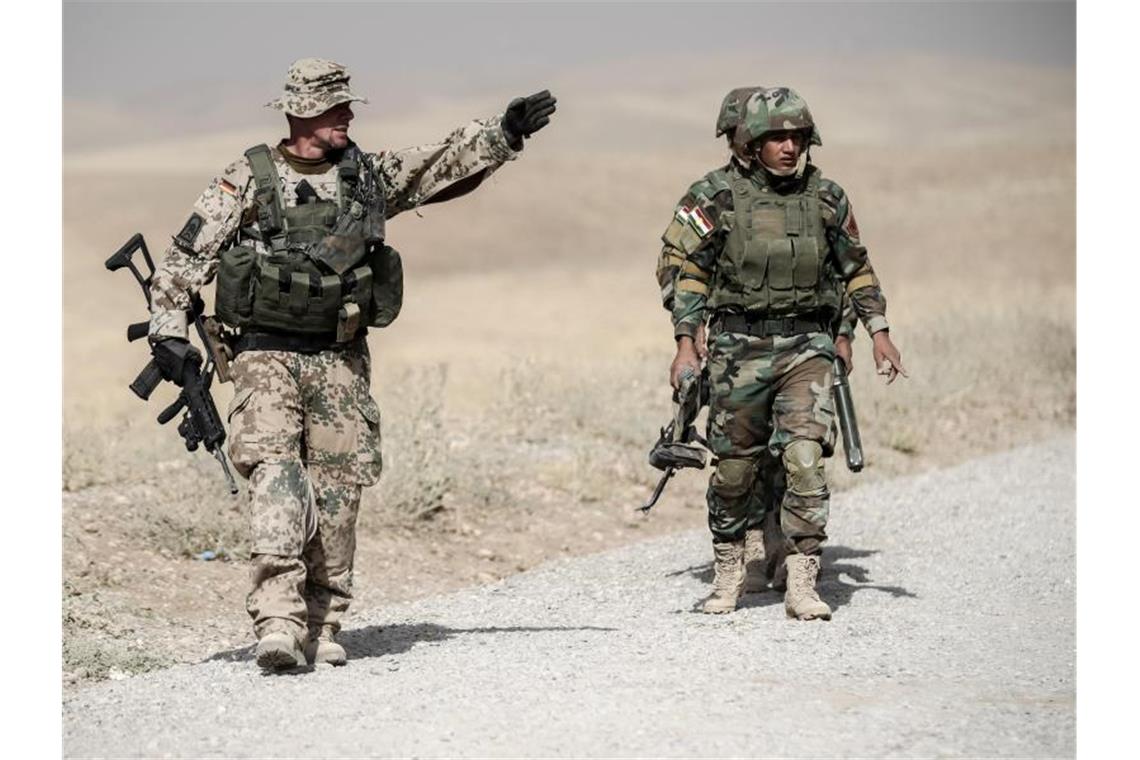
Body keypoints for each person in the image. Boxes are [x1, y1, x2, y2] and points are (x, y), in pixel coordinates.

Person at [146, 58, 556, 669]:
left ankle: (324, 621)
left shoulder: (364, 175)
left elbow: (438, 165)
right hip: (264, 355)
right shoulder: (246, 178)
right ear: (305, 110)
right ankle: (278, 622)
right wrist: (168, 333)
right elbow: (185, 260)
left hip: (340, 357)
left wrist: (504, 133)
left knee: (338, 492)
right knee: (277, 477)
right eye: (339, 107)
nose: (350, 115)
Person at [655, 86, 905, 619]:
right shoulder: (717, 196)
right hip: (738, 349)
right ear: (750, 143)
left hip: (805, 347)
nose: (789, 147)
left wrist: (875, 330)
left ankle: (802, 576)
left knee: (805, 458)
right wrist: (685, 342)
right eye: (776, 138)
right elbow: (687, 271)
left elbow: (854, 268)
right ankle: (729, 570)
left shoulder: (827, 197)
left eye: (797, 137)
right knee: (735, 471)